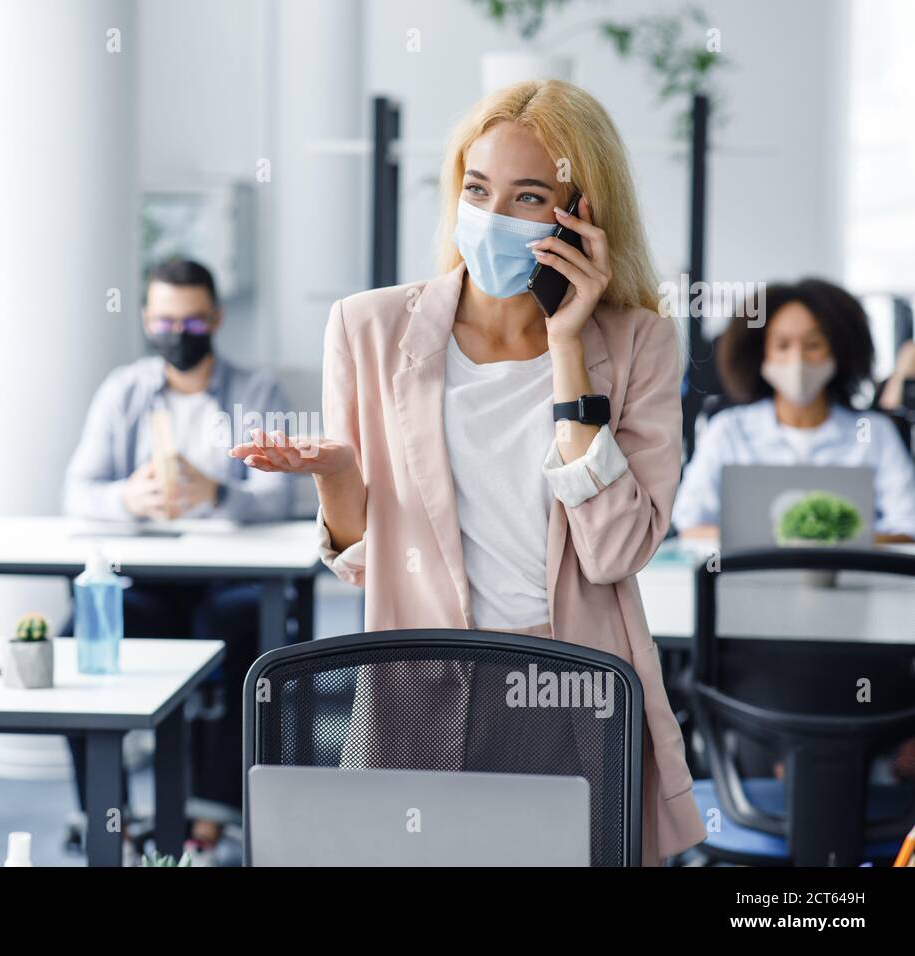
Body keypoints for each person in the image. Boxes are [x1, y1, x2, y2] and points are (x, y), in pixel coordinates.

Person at [231, 79, 706, 864]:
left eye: (527, 196)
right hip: (413, 682)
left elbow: (616, 554)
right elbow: (358, 561)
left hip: (567, 684)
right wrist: (339, 479)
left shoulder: (638, 345)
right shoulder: (368, 327)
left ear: (580, 213)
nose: (491, 216)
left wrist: (566, 351)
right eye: (478, 189)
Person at [62, 257, 294, 857]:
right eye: (166, 323)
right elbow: (78, 492)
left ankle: (208, 820)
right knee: (79, 639)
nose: (179, 337)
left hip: (230, 577)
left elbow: (280, 496)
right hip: (146, 576)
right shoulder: (125, 391)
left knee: (237, 629)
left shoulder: (257, 391)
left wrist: (218, 493)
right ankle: (108, 817)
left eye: (193, 325)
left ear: (215, 319)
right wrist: (130, 498)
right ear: (146, 320)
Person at [673, 279, 915, 542]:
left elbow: (907, 526)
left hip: (855, 580)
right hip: (748, 580)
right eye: (782, 345)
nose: (797, 359)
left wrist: (828, 543)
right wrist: (784, 542)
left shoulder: (873, 432)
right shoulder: (728, 429)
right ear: (761, 353)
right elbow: (691, 522)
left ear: (838, 350)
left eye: (813, 344)